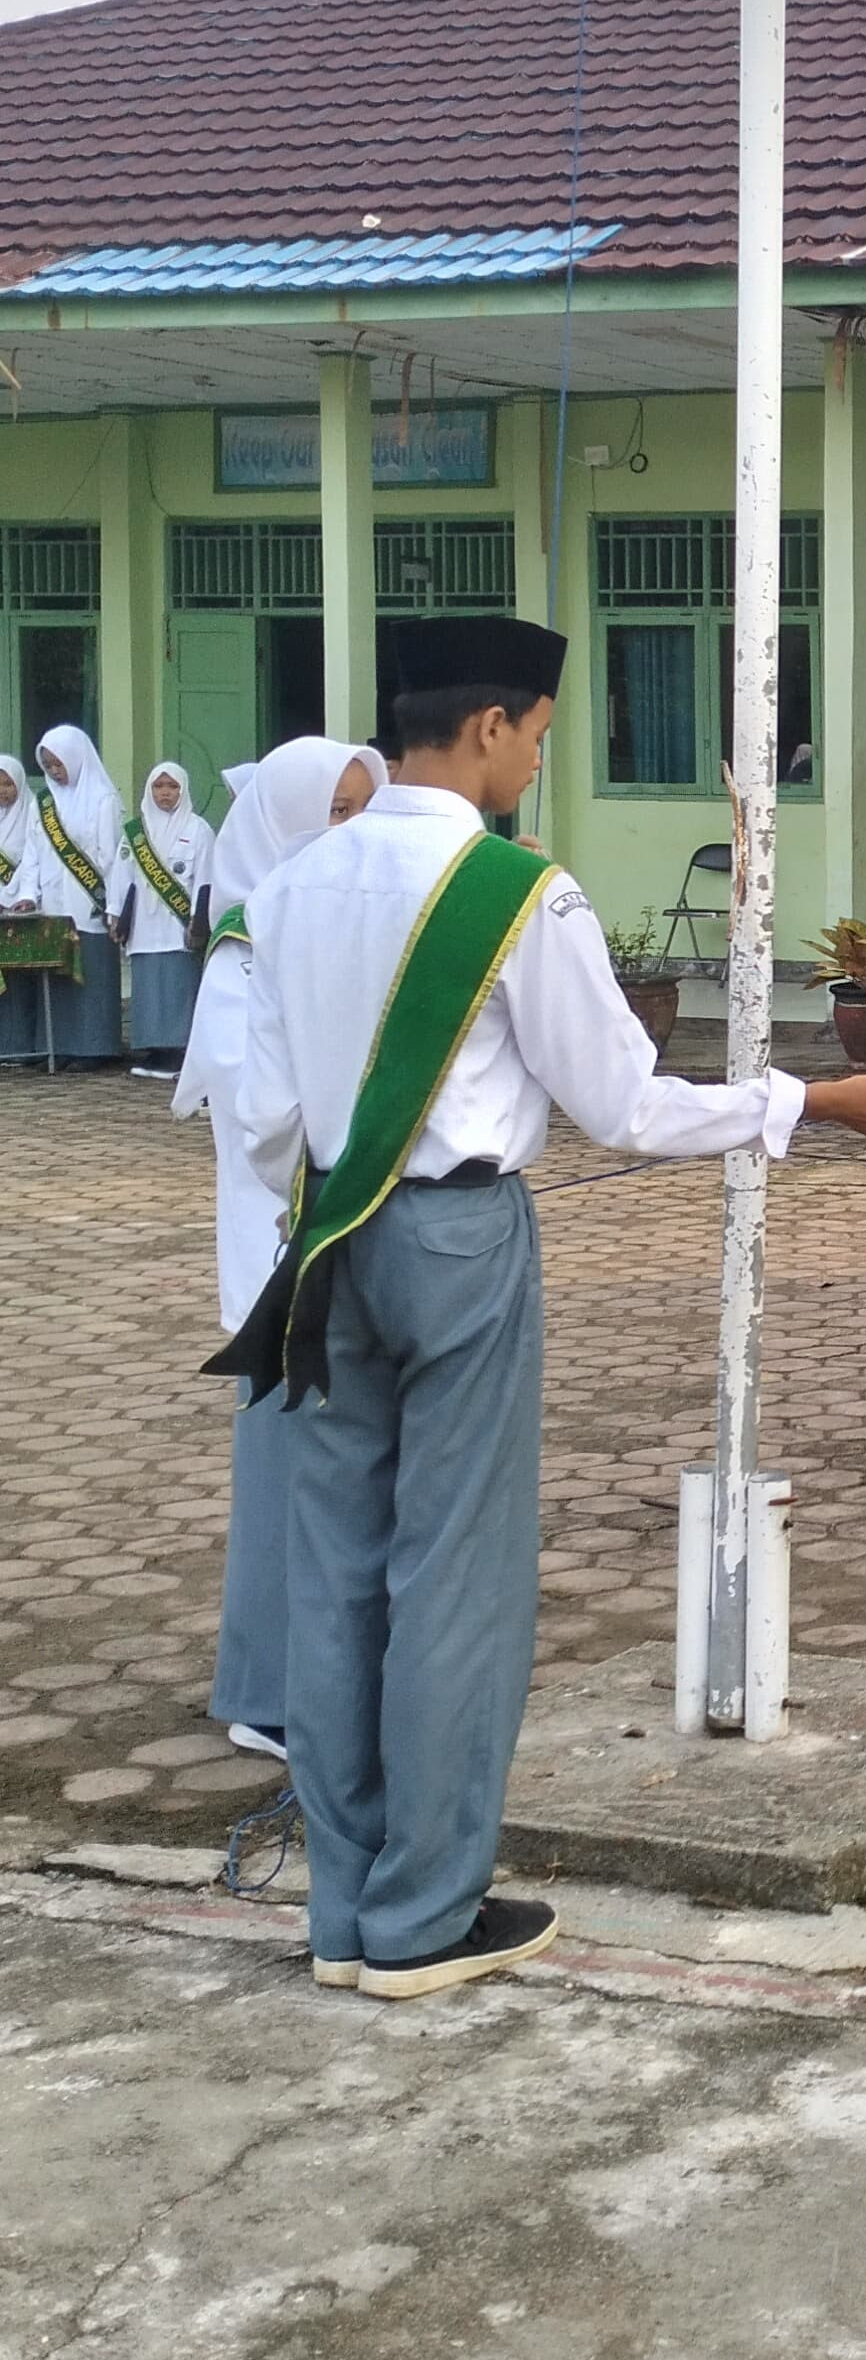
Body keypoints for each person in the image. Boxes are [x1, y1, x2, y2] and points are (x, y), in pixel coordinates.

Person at [224, 618, 866, 2001]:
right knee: (455, 1576)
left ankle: (344, 1908)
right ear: (490, 726)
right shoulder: (508, 893)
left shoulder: (294, 886)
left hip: (320, 1245)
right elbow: (621, 1102)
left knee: (337, 1572)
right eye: (542, 738)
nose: (538, 764)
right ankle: (424, 1917)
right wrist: (810, 1101)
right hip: (454, 1240)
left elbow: (262, 1121)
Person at [173, 734, 383, 1759]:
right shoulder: (243, 953)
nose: (350, 833)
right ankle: (266, 1696)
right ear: (282, 822)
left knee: (338, 1477)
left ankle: (329, 1681)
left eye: (361, 810)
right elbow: (264, 1124)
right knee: (285, 1475)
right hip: (282, 1254)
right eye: (333, 814)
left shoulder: (325, 933)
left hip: (339, 1237)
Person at [26, 724, 125, 1064]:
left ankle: (95, 1047)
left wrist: (113, 905)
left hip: (89, 902)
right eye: (48, 765)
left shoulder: (103, 799)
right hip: (52, 903)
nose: (55, 771)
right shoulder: (44, 802)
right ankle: (61, 1046)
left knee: (92, 975)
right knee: (58, 976)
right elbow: (31, 852)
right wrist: (28, 892)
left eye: (59, 763)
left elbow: (112, 857)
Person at [114, 757, 216, 1077]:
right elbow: (121, 875)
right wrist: (115, 914)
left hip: (178, 925)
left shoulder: (198, 830)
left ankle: (179, 1051)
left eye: (172, 787)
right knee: (148, 988)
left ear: (183, 790)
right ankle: (154, 1050)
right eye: (158, 786)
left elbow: (206, 878)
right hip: (144, 924)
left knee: (177, 986)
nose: (165, 793)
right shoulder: (136, 831)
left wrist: (198, 921)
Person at [0, 751, 40, 1066]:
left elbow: (32, 862)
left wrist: (23, 895)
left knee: (20, 981)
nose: (3, 791)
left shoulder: (33, 816)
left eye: (7, 784)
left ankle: (21, 1045)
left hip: (17, 909)